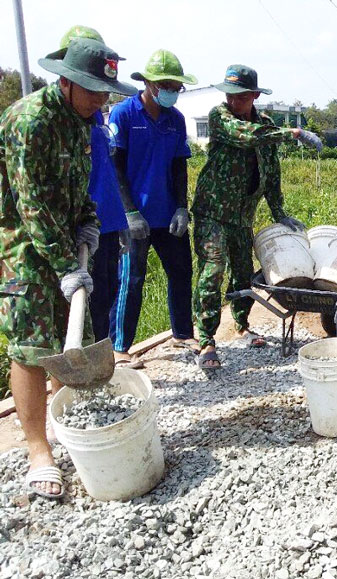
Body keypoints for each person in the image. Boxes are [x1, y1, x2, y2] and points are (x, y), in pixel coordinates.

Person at [0, 37, 136, 498]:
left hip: (61, 241)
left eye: (105, 90)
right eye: (93, 89)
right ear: (66, 81)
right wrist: (63, 265)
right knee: (31, 346)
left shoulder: (83, 120)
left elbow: (82, 185)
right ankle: (38, 448)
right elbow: (31, 205)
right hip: (20, 246)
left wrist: (88, 225)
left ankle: (63, 427)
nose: (102, 99)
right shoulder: (32, 120)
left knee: (68, 338)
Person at [191, 65, 322, 369]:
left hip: (241, 215)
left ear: (252, 96)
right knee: (213, 271)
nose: (233, 100)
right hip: (213, 211)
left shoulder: (264, 125)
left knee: (243, 273)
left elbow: (271, 173)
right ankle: (206, 341)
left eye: (240, 96)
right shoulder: (220, 116)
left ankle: (241, 326)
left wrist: (280, 213)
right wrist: (294, 133)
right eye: (230, 94)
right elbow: (246, 137)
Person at [108, 49, 198, 367]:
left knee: (181, 271)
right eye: (168, 85)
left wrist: (181, 208)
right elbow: (115, 167)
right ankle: (119, 348)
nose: (173, 91)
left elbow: (178, 167)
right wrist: (129, 212)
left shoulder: (175, 120)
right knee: (131, 279)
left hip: (166, 212)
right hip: (134, 215)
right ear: (149, 83)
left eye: (177, 86)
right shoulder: (124, 114)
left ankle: (183, 334)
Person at [47, 26, 133, 341]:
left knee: (106, 296)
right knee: (83, 311)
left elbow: (101, 169)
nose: (99, 97)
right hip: (68, 234)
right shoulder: (47, 122)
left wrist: (121, 217)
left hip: (101, 222)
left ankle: (102, 362)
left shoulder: (91, 115)